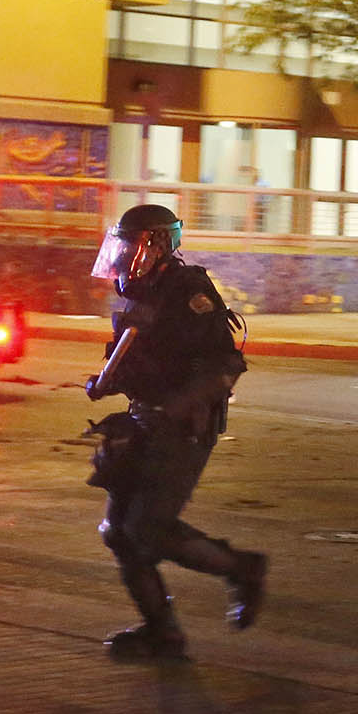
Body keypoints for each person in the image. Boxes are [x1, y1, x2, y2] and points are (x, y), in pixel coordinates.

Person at [86, 203, 264, 658]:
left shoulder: (188, 290)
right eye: (119, 245)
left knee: (149, 528)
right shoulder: (138, 292)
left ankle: (241, 569)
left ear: (157, 243)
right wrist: (106, 382)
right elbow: (136, 358)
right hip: (142, 419)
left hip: (182, 427)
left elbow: (225, 365)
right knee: (118, 531)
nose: (122, 255)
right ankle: (161, 632)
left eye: (131, 245)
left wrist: (174, 408)